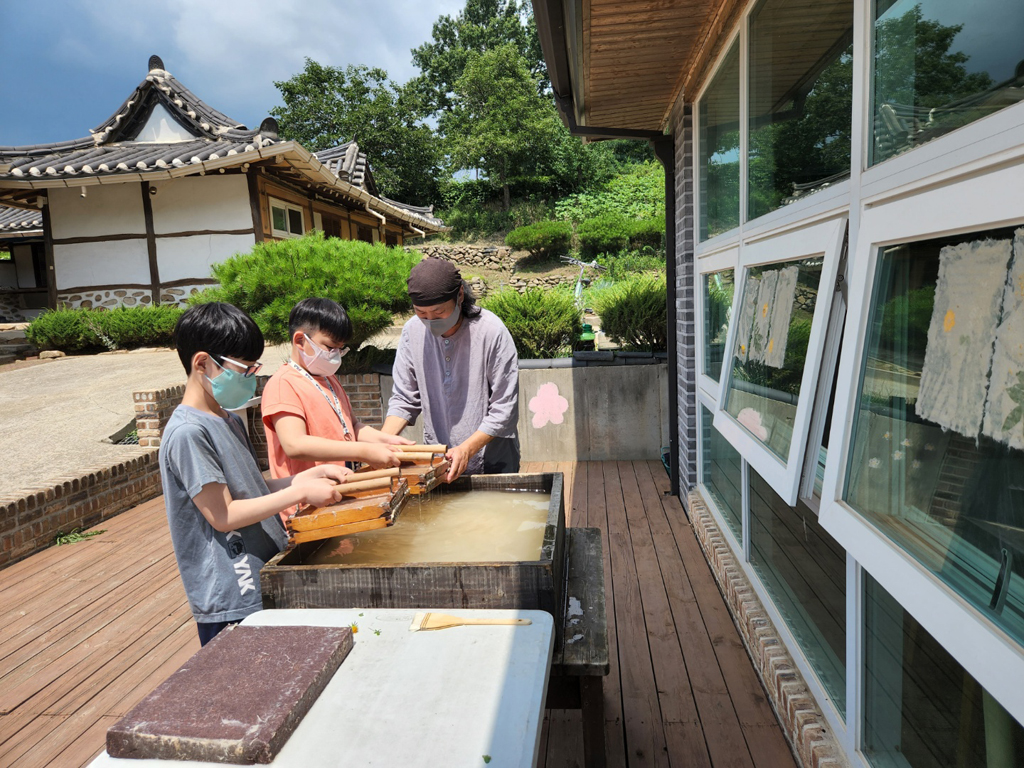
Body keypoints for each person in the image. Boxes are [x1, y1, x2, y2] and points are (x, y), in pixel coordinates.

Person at [159, 302, 348, 646]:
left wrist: (299, 479)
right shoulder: (188, 433)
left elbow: (248, 490)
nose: (251, 379)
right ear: (202, 363)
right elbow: (223, 514)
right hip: (233, 591)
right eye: (243, 370)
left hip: (260, 573)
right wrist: (299, 494)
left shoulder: (227, 417)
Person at [261, 299, 414, 520]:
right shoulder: (283, 383)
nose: (335, 354)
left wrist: (384, 440)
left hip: (335, 497)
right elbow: (295, 444)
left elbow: (351, 426)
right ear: (300, 340)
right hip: (304, 510)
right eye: (330, 347)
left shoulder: (329, 379)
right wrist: (362, 451)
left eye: (340, 349)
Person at [382, 258, 520, 482]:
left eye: (439, 313)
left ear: (460, 296)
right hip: (440, 458)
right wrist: (381, 443)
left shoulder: (491, 331)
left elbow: (505, 409)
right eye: (421, 313)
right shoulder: (411, 332)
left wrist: (466, 449)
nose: (430, 321)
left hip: (494, 456)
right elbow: (404, 398)